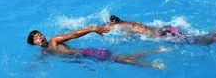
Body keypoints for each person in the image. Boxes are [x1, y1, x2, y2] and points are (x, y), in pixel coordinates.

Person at [26, 27, 168, 69]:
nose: (40, 37)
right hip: (84, 58)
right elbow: (41, 59)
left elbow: (74, 35)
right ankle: (156, 50)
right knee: (120, 58)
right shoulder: (45, 51)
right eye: (36, 38)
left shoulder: (54, 41)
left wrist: (93, 28)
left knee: (120, 60)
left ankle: (151, 66)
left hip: (89, 53)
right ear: (34, 43)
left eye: (39, 34)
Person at [104, 15, 216, 45]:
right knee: (196, 37)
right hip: (166, 29)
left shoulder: (119, 27)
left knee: (204, 42)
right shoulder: (130, 23)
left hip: (165, 35)